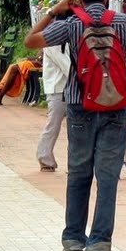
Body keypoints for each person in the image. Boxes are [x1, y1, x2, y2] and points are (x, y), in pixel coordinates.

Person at [24, 0, 126, 251]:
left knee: (79, 171)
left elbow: (31, 41)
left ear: (79, 0)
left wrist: (52, 12)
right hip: (116, 106)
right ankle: (100, 242)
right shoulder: (123, 23)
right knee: (107, 177)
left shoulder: (71, 23)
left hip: (79, 102)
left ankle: (72, 238)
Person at [36, 23, 71, 172]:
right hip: (58, 88)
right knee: (54, 124)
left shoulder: (63, 41)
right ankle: (44, 156)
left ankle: (47, 156)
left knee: (67, 125)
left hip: (66, 87)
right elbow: (66, 65)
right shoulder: (51, 43)